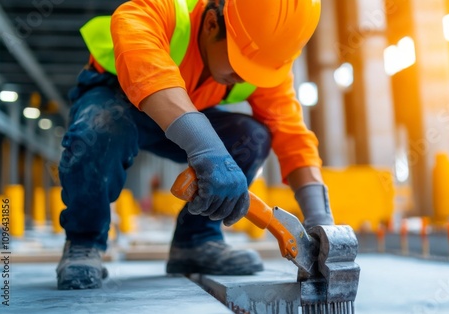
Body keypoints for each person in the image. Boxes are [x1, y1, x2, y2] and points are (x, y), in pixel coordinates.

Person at [56, 0, 333, 290]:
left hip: (185, 118)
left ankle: (196, 242)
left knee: (252, 138)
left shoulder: (262, 58)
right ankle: (83, 242)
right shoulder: (156, 10)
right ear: (212, 24)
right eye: (241, 64)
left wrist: (319, 217)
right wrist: (207, 148)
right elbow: (149, 76)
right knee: (100, 128)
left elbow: (291, 134)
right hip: (115, 98)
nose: (248, 77)